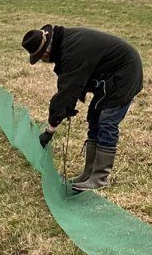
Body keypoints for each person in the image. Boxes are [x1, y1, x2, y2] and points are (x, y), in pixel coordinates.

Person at [22, 24, 143, 191]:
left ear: (46, 52)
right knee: (94, 117)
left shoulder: (72, 50)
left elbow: (68, 90)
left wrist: (50, 130)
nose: (43, 62)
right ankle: (88, 173)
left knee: (107, 121)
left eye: (40, 58)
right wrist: (67, 106)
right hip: (109, 75)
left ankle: (99, 178)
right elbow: (74, 85)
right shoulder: (65, 43)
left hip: (125, 73)